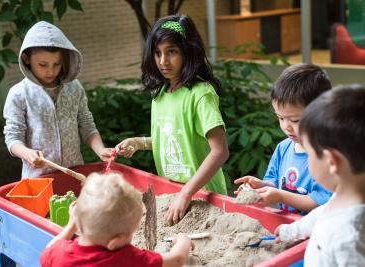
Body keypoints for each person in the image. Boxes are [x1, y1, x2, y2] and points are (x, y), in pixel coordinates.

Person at [115, 14, 229, 225]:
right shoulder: (160, 93)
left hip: (205, 197)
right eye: (157, 53)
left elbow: (220, 151)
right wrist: (139, 143)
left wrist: (186, 193)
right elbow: (173, 138)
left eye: (172, 52)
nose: (163, 61)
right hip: (172, 193)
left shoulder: (201, 93)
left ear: (189, 52)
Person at [3, 21, 111, 178]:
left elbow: (86, 124)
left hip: (75, 174)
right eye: (43, 64)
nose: (51, 71)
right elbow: (13, 137)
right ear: (26, 59)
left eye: (57, 64)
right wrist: (27, 153)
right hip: (38, 178)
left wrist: (100, 150)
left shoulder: (75, 88)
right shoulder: (19, 94)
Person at [274, 85, 365, 266]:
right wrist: (291, 231)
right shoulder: (343, 199)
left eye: (308, 151)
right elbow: (319, 215)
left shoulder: (348, 238)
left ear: (332, 162)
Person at [234, 64, 333, 214]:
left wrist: (281, 196)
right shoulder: (283, 148)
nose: (286, 126)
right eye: (280, 118)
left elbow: (318, 200)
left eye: (295, 120)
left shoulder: (327, 155)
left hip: (315, 229)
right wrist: (259, 186)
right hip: (287, 225)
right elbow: (275, 183)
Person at [40, 172, 193, 267]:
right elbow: (177, 260)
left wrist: (71, 226)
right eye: (130, 232)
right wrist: (183, 241)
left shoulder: (60, 254)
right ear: (114, 242)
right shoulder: (126, 258)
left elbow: (48, 250)